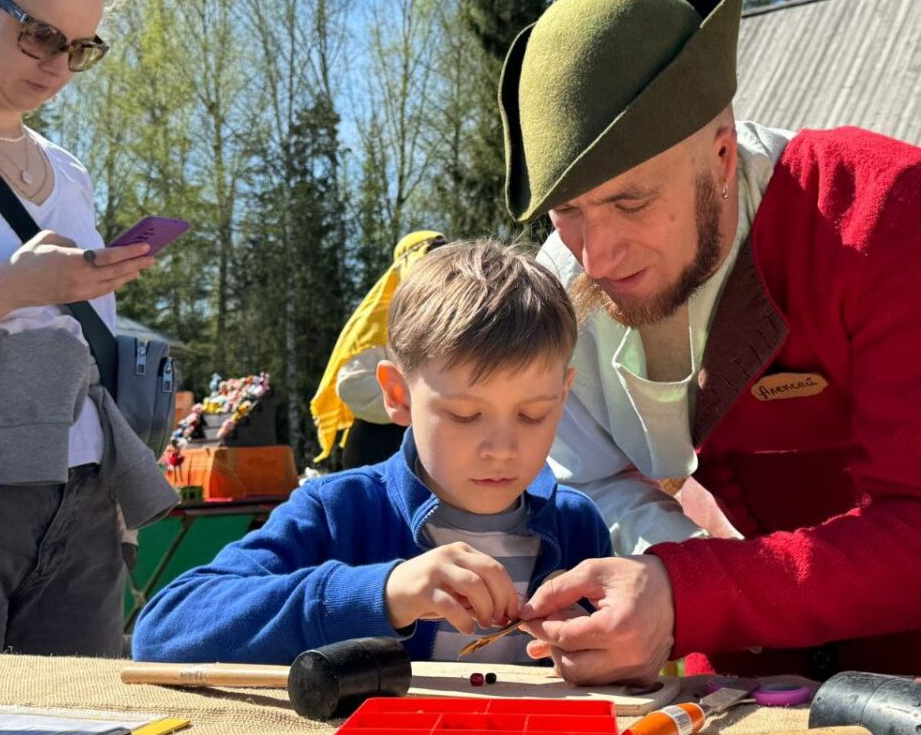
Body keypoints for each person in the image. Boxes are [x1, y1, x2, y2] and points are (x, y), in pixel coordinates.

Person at [497, 0, 921, 684]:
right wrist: (668, 572)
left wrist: (689, 590)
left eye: (631, 200)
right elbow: (596, 479)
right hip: (770, 627)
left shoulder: (888, 210)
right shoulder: (563, 288)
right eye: (569, 212)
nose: (597, 255)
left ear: (721, 159)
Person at [132, 240, 612, 665]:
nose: (502, 450)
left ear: (564, 394)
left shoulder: (577, 527)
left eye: (532, 415)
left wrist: (605, 653)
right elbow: (165, 627)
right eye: (465, 415)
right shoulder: (337, 512)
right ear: (398, 396)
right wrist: (383, 593)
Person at [0, 0, 175, 656]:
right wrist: (18, 287)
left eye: (82, 49)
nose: (58, 67)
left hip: (82, 483)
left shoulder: (69, 172)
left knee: (81, 724)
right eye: (39, 36)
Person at [310, 230, 445, 469]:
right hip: (377, 452)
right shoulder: (375, 322)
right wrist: (418, 402)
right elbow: (352, 385)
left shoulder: (452, 319)